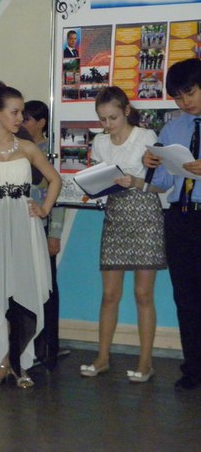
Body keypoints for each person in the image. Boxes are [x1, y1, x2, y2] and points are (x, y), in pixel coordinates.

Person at [0, 84, 61, 388]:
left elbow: (55, 179)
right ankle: (0, 360)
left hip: (24, 226)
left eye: (21, 112)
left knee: (23, 293)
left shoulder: (27, 148)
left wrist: (43, 209)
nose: (20, 117)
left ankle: (18, 363)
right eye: (15, 112)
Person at [79, 86, 166, 382]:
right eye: (102, 119)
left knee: (143, 294)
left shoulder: (146, 137)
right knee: (109, 294)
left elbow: (161, 184)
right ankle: (102, 357)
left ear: (126, 111)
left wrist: (135, 181)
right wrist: (92, 188)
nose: (107, 125)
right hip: (116, 215)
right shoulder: (100, 142)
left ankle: (145, 362)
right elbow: (100, 180)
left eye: (113, 118)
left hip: (145, 214)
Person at [144, 58, 201, 390]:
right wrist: (150, 164)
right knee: (186, 297)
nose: (185, 102)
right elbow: (163, 183)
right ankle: (193, 368)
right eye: (178, 97)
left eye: (190, 93)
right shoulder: (172, 129)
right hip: (180, 217)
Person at [22, 100, 66, 369]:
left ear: (41, 123)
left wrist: (55, 233)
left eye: (27, 118)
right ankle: (27, 345)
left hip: (43, 227)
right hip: (22, 227)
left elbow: (58, 193)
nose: (22, 122)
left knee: (47, 287)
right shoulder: (18, 147)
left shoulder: (49, 150)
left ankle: (49, 346)